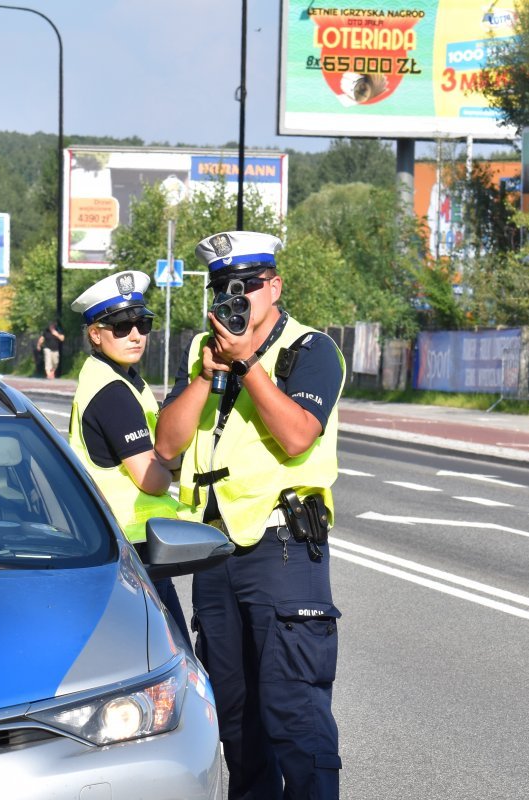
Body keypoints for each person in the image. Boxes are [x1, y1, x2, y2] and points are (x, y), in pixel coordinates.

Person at [155, 230, 346, 800]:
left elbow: (295, 436)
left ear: (275, 287)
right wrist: (206, 375)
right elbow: (167, 446)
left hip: (282, 547)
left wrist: (249, 367)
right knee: (234, 717)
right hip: (214, 549)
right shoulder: (201, 350)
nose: (235, 299)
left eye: (247, 287)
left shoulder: (311, 350)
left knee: (293, 709)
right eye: (222, 288)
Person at [68, 271, 191, 649]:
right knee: (168, 658)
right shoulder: (112, 392)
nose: (136, 334)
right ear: (96, 333)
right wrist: (174, 463)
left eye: (142, 323)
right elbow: (150, 479)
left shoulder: (115, 378)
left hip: (120, 546)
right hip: (132, 551)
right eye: (121, 326)